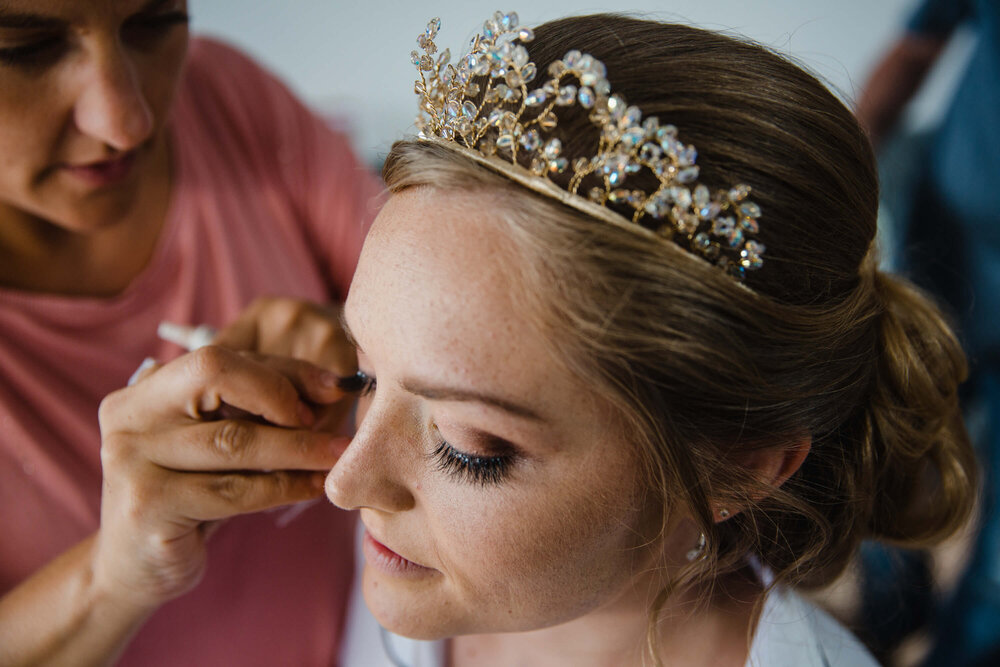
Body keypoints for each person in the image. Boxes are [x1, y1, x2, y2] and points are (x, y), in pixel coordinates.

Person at [324, 11, 979, 667]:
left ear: (733, 466)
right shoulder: (358, 573)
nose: (344, 482)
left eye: (472, 448)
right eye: (364, 376)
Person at [0, 1, 379, 665]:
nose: (126, 122)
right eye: (25, 49)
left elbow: (462, 312)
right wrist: (113, 577)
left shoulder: (227, 98)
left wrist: (359, 341)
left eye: (153, 24)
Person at [855, 1, 1000, 664]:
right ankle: (878, 624)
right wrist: (846, 168)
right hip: (951, 244)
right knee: (899, 443)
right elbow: (915, 51)